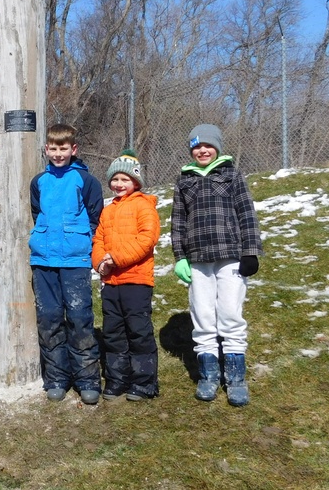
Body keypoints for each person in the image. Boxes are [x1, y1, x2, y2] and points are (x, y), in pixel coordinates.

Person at [170, 124, 262, 407]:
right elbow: (177, 222)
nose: (202, 150)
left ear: (217, 147)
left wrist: (251, 251)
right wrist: (180, 256)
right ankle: (208, 374)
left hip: (230, 256)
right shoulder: (184, 180)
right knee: (203, 315)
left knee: (230, 313)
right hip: (198, 259)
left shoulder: (232, 174)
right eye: (196, 146)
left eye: (207, 145)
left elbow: (247, 213)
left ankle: (235, 378)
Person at [28, 124, 104, 404]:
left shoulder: (85, 181)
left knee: (79, 317)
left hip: (75, 260)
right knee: (49, 318)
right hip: (44, 260)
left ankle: (87, 378)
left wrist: (81, 242)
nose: (58, 154)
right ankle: (57, 377)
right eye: (53, 148)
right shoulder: (38, 182)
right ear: (46, 149)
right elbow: (37, 213)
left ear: (74, 150)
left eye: (63, 149)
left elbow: (96, 216)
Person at [92, 151, 161, 401]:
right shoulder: (108, 210)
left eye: (125, 180)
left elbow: (147, 239)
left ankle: (144, 382)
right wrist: (100, 262)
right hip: (111, 281)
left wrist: (116, 258)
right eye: (115, 179)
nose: (119, 184)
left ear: (136, 182)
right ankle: (117, 379)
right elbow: (98, 238)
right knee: (113, 331)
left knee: (138, 331)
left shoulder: (144, 205)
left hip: (136, 280)